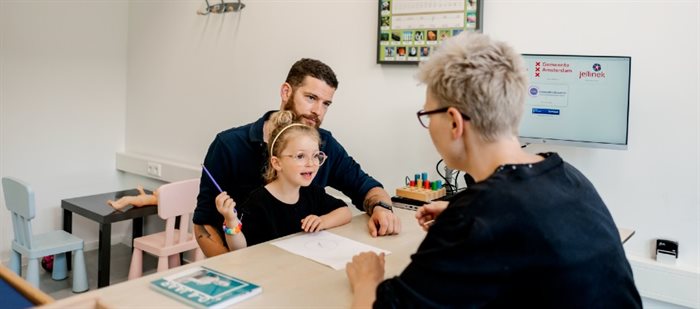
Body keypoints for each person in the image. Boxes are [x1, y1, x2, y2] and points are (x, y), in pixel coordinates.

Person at [345, 32, 642, 307]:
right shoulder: (570, 177)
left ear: (454, 122)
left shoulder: (478, 217)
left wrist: (367, 278)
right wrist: (461, 212)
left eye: (426, 114)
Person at [194, 58, 401, 257]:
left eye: (326, 103)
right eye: (311, 98)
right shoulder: (229, 145)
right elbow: (203, 223)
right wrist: (235, 270)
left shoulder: (325, 143)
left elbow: (366, 186)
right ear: (286, 92)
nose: (317, 111)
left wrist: (382, 208)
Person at [215, 111, 352, 250]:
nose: (311, 163)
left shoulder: (312, 192)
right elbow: (239, 249)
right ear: (277, 163)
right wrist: (231, 221)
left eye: (316, 155)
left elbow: (345, 212)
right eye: (300, 156)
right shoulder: (258, 202)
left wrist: (323, 221)